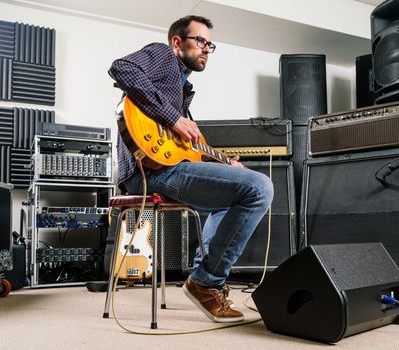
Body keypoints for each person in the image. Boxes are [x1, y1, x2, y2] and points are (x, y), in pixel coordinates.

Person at [108, 15, 274, 323]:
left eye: (210, 44)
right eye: (200, 41)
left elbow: (187, 151)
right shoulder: (161, 55)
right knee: (260, 187)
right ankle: (206, 283)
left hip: (170, 167)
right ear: (177, 42)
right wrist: (173, 118)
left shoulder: (181, 89)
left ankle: (203, 275)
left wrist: (224, 163)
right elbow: (122, 68)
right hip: (150, 172)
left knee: (239, 187)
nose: (206, 49)